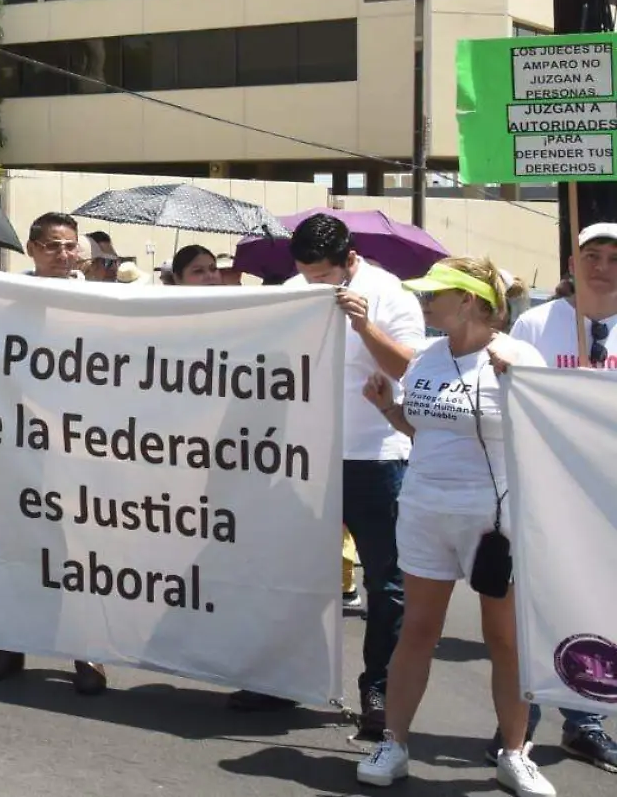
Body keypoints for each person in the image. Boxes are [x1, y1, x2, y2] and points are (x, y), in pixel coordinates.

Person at [353, 258, 553, 796]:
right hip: (423, 511)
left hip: (496, 522)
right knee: (417, 629)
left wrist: (521, 383)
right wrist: (388, 409)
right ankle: (393, 743)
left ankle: (515, 753)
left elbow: (546, 433)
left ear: (467, 301)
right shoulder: (424, 358)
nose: (424, 302)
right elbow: (420, 431)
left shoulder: (517, 357)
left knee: (504, 638)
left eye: (434, 294)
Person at [227, 213, 424, 733]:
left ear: (349, 260)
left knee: (388, 584)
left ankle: (377, 690)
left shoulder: (392, 296)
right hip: (306, 459)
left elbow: (409, 368)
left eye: (322, 276)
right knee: (294, 573)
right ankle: (285, 680)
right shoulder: (295, 289)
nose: (312, 284)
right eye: (305, 274)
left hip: (376, 459)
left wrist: (364, 325)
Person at [0, 210, 106, 693]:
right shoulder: (6, 304)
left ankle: (87, 654)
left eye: (71, 246)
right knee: (21, 547)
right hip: (21, 449)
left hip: (82, 451)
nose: (63, 254)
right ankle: (11, 643)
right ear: (31, 250)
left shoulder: (96, 301)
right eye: (52, 246)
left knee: (81, 555)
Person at [503, 224, 617, 771]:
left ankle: (585, 719)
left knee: (596, 605)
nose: (603, 267)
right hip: (546, 489)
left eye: (615, 257)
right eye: (591, 255)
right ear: (572, 263)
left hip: (609, 494)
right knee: (532, 605)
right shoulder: (535, 323)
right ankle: (519, 725)